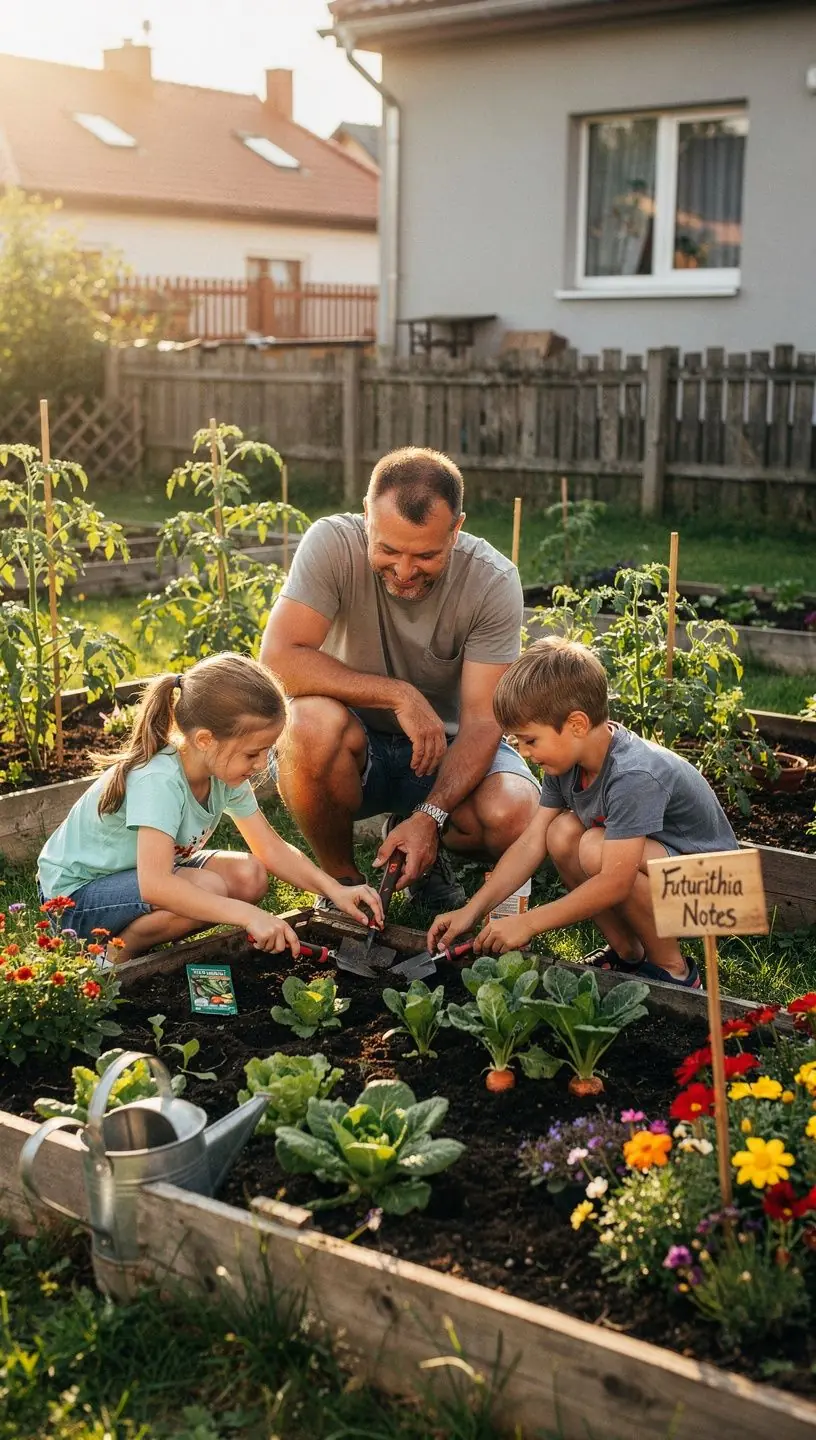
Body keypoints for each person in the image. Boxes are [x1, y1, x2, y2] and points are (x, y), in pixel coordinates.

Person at [260, 447, 540, 911]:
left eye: (426, 555)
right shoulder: (332, 543)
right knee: (306, 725)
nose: (405, 571)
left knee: (516, 811)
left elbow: (483, 722)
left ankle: (418, 844)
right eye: (388, 549)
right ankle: (344, 884)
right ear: (367, 515)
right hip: (352, 746)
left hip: (446, 752)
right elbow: (278, 660)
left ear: (457, 529)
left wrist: (431, 816)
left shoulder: (491, 581)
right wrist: (398, 696)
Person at [427, 637, 739, 988]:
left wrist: (528, 923)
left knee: (593, 846)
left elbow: (615, 882)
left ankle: (674, 969)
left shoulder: (633, 775)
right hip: (668, 880)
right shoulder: (566, 766)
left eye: (530, 740)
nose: (525, 753)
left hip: (718, 894)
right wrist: (471, 911)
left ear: (576, 724)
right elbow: (531, 844)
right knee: (560, 834)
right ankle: (629, 953)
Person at [37, 654, 382, 964]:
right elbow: (155, 885)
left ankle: (135, 938)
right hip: (74, 899)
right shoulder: (158, 780)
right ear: (205, 739)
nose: (262, 764)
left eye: (267, 751)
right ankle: (114, 955)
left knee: (250, 875)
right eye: (253, 753)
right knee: (210, 888)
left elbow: (271, 849)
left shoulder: (221, 772)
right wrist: (248, 916)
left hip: (136, 877)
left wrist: (334, 889)